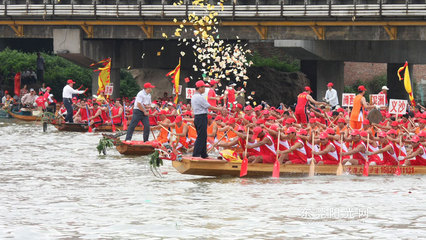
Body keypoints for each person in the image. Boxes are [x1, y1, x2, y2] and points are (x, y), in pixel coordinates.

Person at [191, 80, 223, 158]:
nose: (205, 89)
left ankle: (204, 154)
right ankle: (196, 154)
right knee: (201, 136)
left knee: (203, 136)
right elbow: (208, 106)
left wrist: (210, 113)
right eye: (204, 87)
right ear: (200, 88)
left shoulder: (194, 96)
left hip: (199, 117)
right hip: (201, 118)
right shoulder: (198, 97)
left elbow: (201, 109)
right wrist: (220, 109)